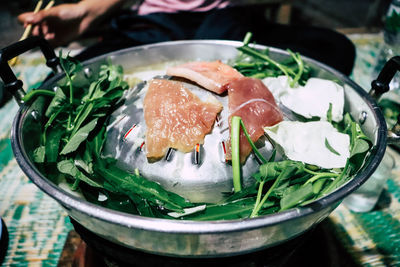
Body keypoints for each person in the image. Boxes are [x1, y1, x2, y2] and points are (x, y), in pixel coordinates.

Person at [18, 0, 356, 75]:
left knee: (335, 49)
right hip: (154, 20)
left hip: (225, 15)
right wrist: (86, 12)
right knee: (66, 82)